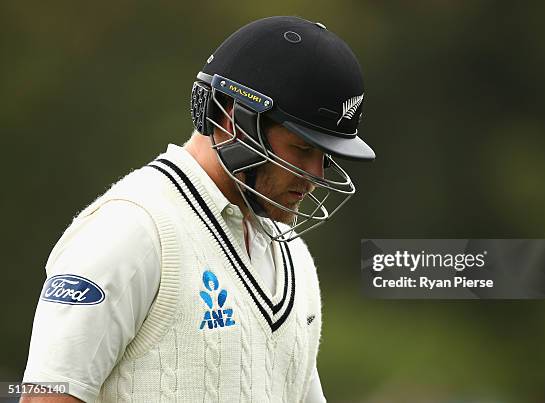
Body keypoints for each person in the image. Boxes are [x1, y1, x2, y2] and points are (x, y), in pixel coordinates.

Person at [21, 16, 375, 403]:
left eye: (325, 155)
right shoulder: (131, 229)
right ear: (233, 118)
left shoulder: (293, 256)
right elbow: (46, 396)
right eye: (303, 149)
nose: (313, 175)